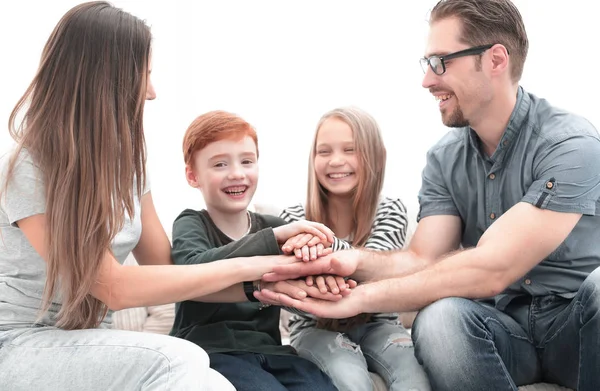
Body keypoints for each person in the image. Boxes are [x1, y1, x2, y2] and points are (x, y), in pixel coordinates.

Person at [258, 1, 600, 390]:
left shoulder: (571, 144)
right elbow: (422, 258)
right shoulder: (445, 157)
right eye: (427, 64)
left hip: (578, 330)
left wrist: (362, 298)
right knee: (439, 320)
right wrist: (348, 260)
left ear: (495, 59)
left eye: (441, 62)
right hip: (506, 334)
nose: (427, 81)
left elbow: (492, 268)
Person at [0, 3, 320, 390]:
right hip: (22, 343)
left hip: (91, 340)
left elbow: (173, 271)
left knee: (216, 384)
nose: (152, 92)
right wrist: (257, 262)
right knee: (181, 358)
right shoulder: (27, 167)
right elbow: (112, 288)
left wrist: (271, 283)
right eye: (145, 75)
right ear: (107, 78)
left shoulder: (127, 168)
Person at [169, 110, 341, 391]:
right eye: (220, 164)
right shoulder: (191, 223)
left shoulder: (275, 226)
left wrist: (316, 259)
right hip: (212, 352)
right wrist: (270, 239)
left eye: (246, 161)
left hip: (274, 351)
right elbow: (192, 269)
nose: (236, 173)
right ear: (192, 175)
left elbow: (307, 272)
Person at [279, 107, 430, 391]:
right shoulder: (292, 220)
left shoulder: (390, 211)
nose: (336, 161)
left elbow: (368, 272)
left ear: (375, 155)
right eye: (324, 152)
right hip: (314, 330)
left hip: (379, 323)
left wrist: (322, 250)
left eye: (350, 150)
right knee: (350, 379)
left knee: (415, 378)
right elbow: (300, 285)